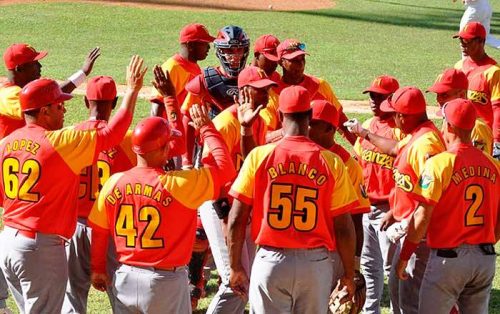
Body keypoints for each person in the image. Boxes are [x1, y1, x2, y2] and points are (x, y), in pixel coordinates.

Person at [0, 55, 146, 313]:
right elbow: (112, 133)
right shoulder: (59, 142)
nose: (64, 109)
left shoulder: (6, 143)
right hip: (40, 247)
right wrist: (132, 90)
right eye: (58, 105)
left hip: (8, 244)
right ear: (44, 111)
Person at [88, 105, 236, 314]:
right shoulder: (179, 185)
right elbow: (225, 169)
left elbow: (100, 230)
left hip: (125, 278)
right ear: (165, 149)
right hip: (164, 283)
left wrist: (97, 269)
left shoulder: (115, 182)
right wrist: (207, 128)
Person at [228, 86, 358, 313]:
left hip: (271, 261)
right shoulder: (332, 162)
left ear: (279, 116)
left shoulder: (260, 156)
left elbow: (237, 217)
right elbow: (344, 227)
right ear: (309, 117)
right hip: (315, 265)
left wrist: (235, 266)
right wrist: (349, 273)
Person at [346, 86, 446, 314]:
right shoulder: (416, 136)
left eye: (394, 114)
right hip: (407, 228)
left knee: (411, 302)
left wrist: (407, 223)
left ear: (403, 116)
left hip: (418, 238)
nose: (392, 118)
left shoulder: (426, 146)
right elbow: (394, 149)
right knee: (399, 293)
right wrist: (364, 133)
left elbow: (433, 198)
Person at [396, 98, 499, 314]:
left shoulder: (440, 163)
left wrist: (405, 255)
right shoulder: (493, 164)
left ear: (448, 125)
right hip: (485, 259)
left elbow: (422, 216)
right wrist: (489, 241)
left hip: (448, 262)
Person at [200, 65, 277, 314]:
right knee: (233, 282)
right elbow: (211, 176)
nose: (266, 96)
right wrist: (226, 218)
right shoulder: (223, 124)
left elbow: (253, 160)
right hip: (218, 204)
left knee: (250, 281)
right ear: (243, 92)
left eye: (267, 90)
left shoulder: (261, 120)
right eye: (260, 91)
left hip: (243, 206)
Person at [351, 75, 400, 314]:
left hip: (391, 211)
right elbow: (357, 161)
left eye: (378, 96)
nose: (372, 100)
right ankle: (371, 311)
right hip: (366, 208)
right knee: (370, 267)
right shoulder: (368, 125)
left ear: (391, 99)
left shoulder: (399, 131)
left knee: (395, 269)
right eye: (371, 95)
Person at [181, 25, 250, 168]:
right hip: (211, 147)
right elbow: (187, 118)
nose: (234, 55)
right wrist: (186, 161)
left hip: (244, 147)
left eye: (239, 50)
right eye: (229, 50)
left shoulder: (255, 78)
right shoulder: (204, 80)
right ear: (219, 52)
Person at [264, 38, 356, 144]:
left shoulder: (320, 85)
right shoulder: (272, 93)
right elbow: (266, 137)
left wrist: (359, 150)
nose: (300, 64)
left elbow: (341, 121)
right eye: (294, 60)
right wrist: (295, 128)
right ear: (281, 62)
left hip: (321, 152)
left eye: (302, 58)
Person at [0, 44, 100, 139]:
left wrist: (83, 73)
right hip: (11, 154)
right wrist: (82, 73)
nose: (40, 66)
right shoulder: (7, 95)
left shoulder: (30, 87)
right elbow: (42, 102)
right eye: (35, 63)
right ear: (20, 69)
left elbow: (50, 95)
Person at [453, 21, 500, 158]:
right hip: (459, 135)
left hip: (484, 137)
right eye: (460, 39)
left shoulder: (493, 72)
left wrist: (497, 140)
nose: (462, 43)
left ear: (481, 41)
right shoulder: (459, 66)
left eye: (467, 40)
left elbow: (498, 109)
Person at [151, 23, 215, 117]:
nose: (209, 47)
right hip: (170, 129)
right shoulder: (172, 68)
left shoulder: (195, 67)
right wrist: (157, 131)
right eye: (205, 43)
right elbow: (156, 106)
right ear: (191, 45)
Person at [427, 68, 493, 154]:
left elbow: (480, 164)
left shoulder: (477, 127)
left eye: (444, 95)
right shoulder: (447, 120)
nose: (438, 100)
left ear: (461, 95)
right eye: (437, 95)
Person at [251, 34, 282, 131]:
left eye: (276, 59)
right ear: (256, 55)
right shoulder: (244, 79)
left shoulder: (279, 79)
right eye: (269, 59)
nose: (274, 64)